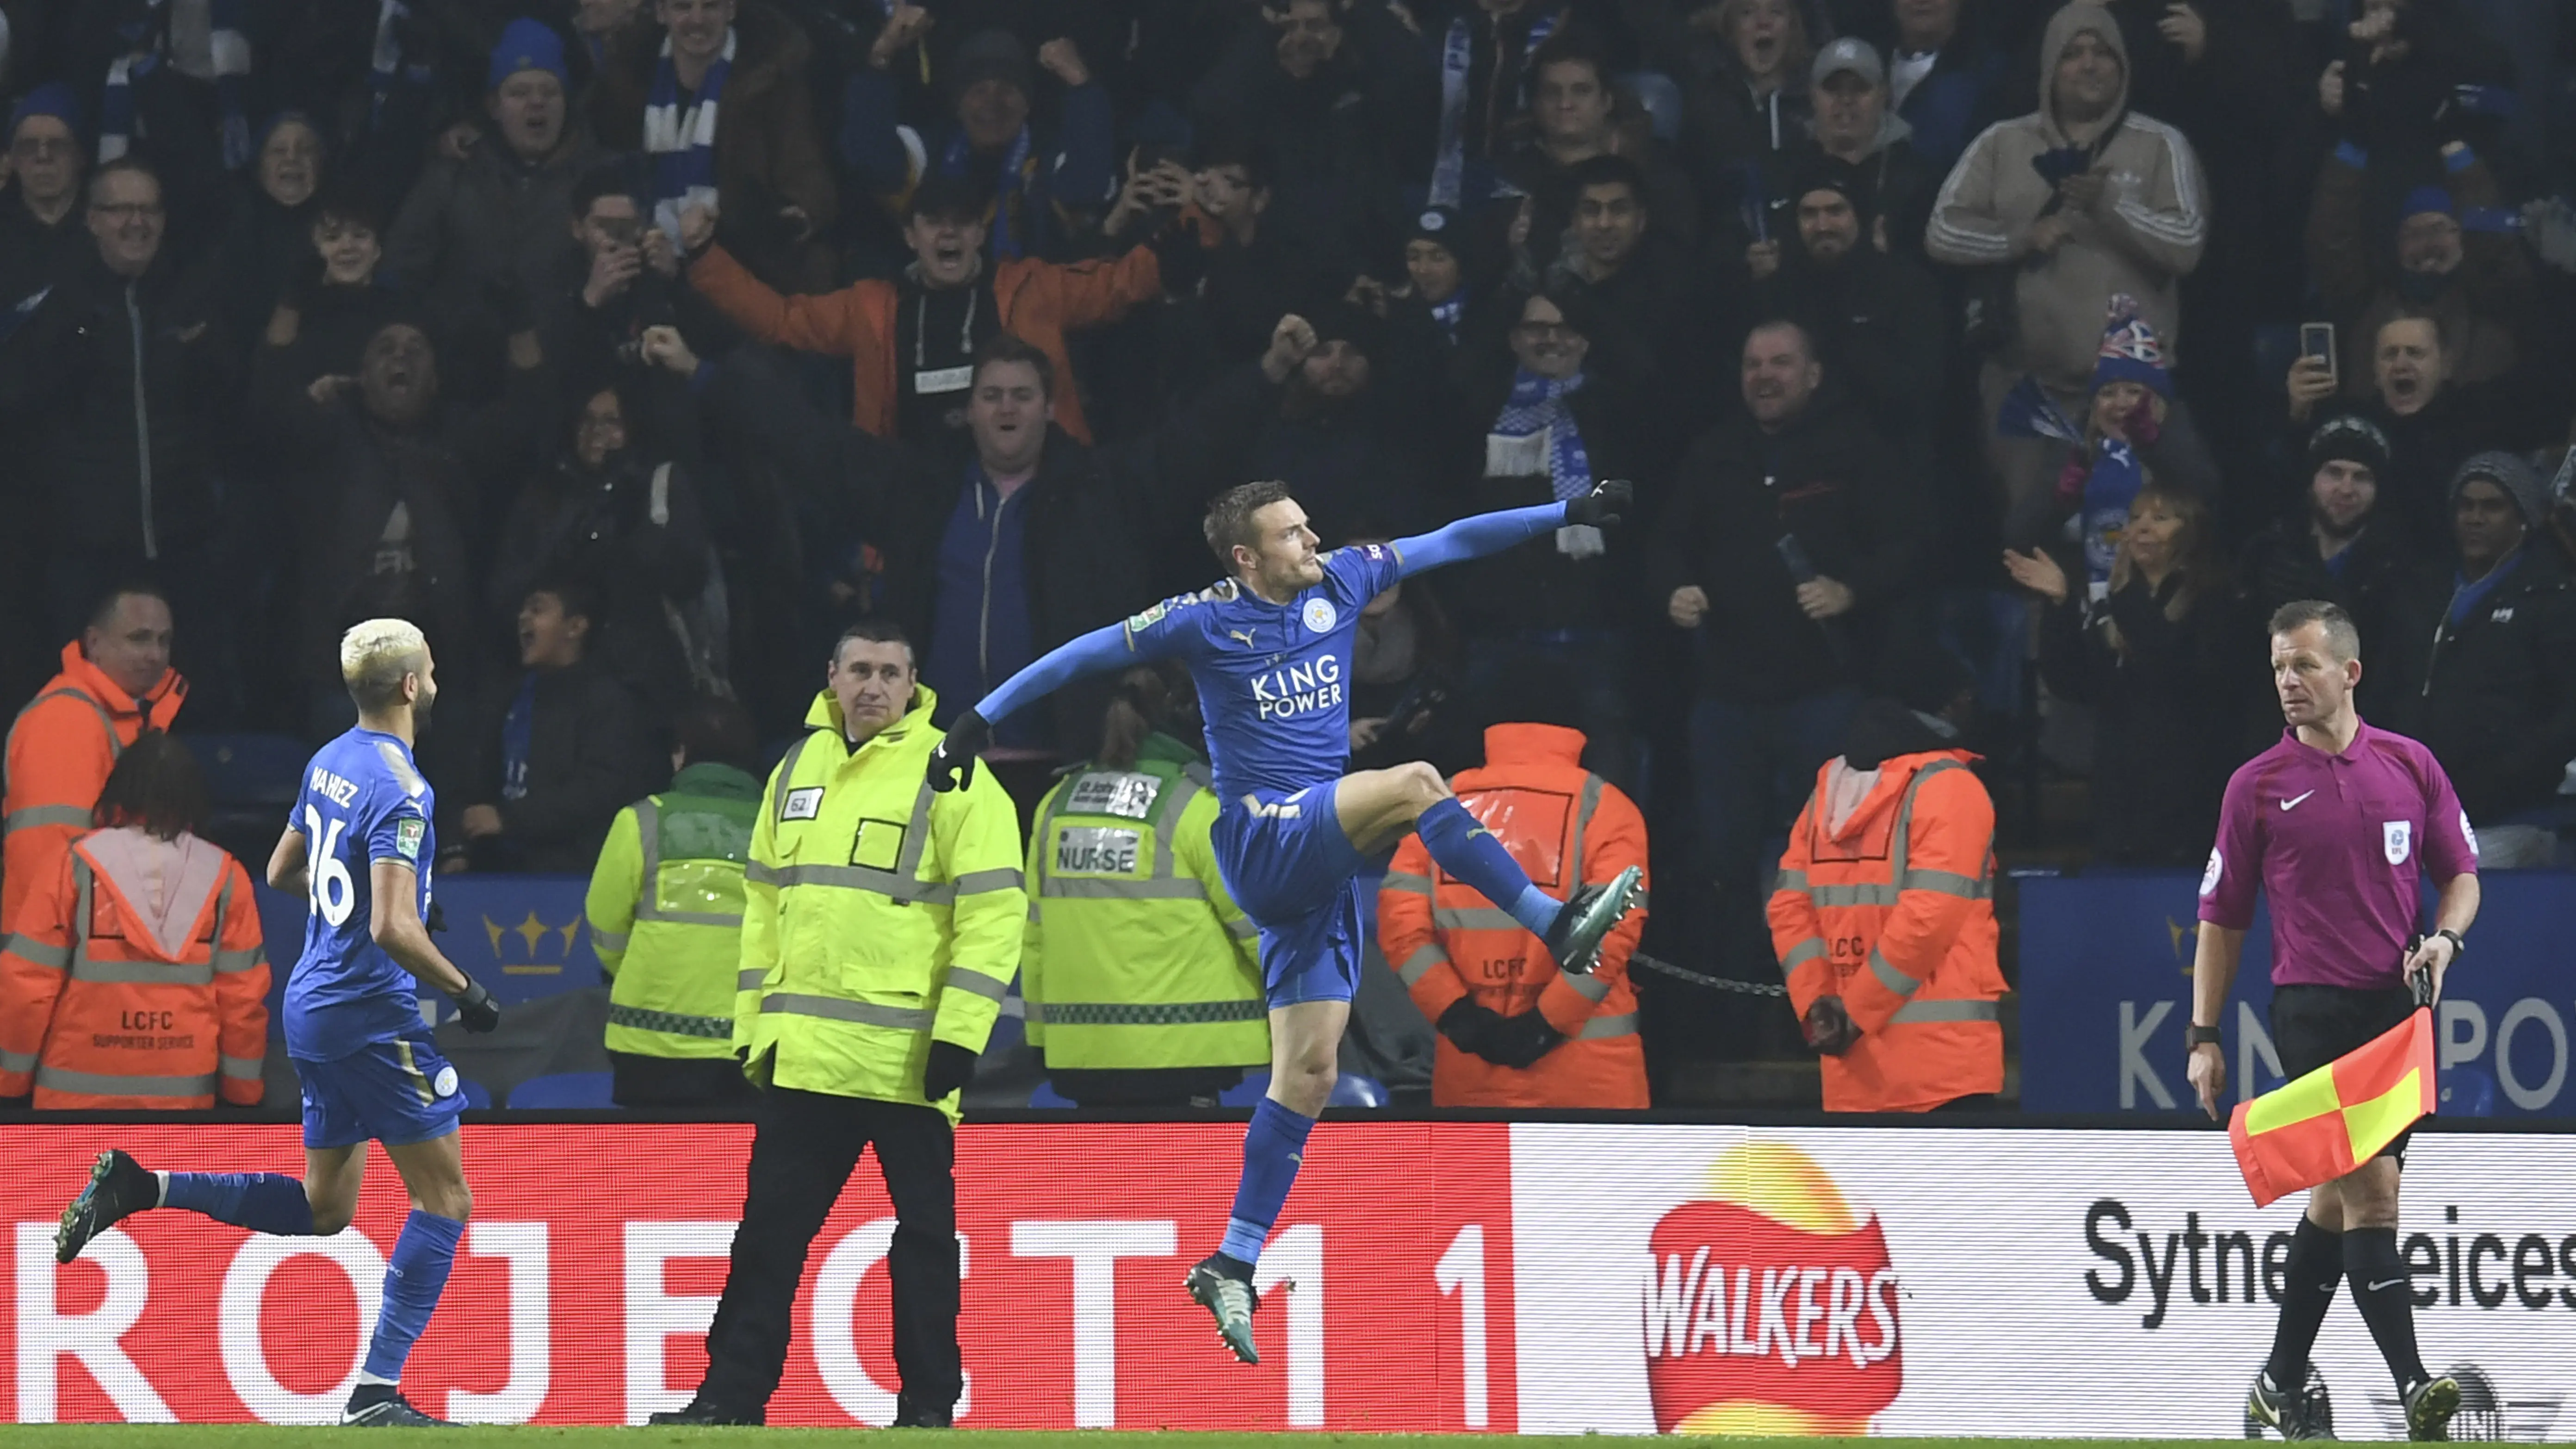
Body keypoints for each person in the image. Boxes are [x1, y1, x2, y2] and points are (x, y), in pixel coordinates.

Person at [925, 476, 1647, 1363]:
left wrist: (1564, 511)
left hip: (1318, 866)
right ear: (1245, 557)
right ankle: (1553, 923)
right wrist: (977, 721)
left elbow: (1451, 538)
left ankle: (1232, 1259)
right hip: (1264, 840)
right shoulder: (1200, 618)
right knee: (1420, 781)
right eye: (1292, 534)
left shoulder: (1341, 580)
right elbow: (1081, 654)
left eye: (1310, 526)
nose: (1314, 541)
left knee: (1307, 1072)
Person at [51, 619, 503, 1428]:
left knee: (327, 1209)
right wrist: (466, 990)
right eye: (429, 671)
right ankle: (376, 1392)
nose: (434, 682)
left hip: (313, 1003)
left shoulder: (329, 762)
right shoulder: (404, 789)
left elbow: (281, 869)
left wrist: (369, 905)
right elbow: (394, 930)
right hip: (369, 1011)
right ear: (409, 686)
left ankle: (144, 1186)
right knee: (447, 1197)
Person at [651, 620, 1022, 1429]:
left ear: (914, 681)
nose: (874, 686)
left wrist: (960, 1034)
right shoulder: (794, 768)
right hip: (804, 1059)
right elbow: (761, 904)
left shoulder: (951, 775)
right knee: (766, 1245)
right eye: (860, 669)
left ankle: (927, 1407)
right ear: (831, 677)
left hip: (908, 1060)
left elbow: (994, 915)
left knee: (923, 1248)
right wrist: (754, 1027)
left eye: (891, 672)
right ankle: (727, 1399)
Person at [2190, 600, 2475, 1444]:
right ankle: (2415, 1387)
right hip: (2311, 1010)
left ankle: (2276, 1386)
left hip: (2396, 1013)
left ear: (2348, 673)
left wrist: (2445, 939)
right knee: (2373, 1192)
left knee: (2332, 1200)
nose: (2287, 682)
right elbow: (2219, 917)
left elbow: (2461, 872)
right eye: (2278, 667)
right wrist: (2202, 1036)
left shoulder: (2408, 764)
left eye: (2303, 666)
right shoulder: (2256, 786)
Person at [1652, 320, 1921, 960]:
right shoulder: (1713, 451)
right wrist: (1676, 589)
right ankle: (1742, 1005)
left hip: (1822, 694)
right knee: (1725, 858)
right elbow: (1665, 544)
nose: (1764, 377)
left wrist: (1850, 590)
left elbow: (1908, 547)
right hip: (1727, 697)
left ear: (1814, 374)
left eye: (1780, 363)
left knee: (1833, 853)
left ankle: (1832, 989)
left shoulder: (1856, 449)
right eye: (1752, 365)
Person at [1926, 2, 2207, 520]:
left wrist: (2112, 207)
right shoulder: (2001, 142)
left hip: (2136, 396)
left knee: (2145, 546)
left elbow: (2186, 243)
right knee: (2032, 547)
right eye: (2073, 54)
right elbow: (1942, 232)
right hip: (2028, 390)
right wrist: (2019, 239)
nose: (2090, 64)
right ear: (2050, 68)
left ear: (2123, 65)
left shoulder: (2160, 144)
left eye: (2102, 52)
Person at [681, 171, 1166, 447]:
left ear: (981, 234)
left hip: (1040, 500)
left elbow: (1117, 285)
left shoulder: (1032, 289)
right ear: (911, 236)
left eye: (962, 223)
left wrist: (1196, 224)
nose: (949, 234)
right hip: (921, 509)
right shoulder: (870, 308)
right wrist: (705, 256)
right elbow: (782, 321)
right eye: (934, 223)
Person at [1378, 680, 1651, 1108]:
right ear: (1576, 727)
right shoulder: (1605, 806)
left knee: (1478, 1181)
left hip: (1471, 1078)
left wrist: (1458, 1017)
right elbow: (1611, 932)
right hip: (1591, 1079)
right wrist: (1544, 1026)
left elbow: (1401, 929)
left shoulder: (1439, 806)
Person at [1022, 664, 1267, 1109]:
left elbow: (1036, 940)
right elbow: (1262, 932)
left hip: (1080, 1057)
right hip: (1189, 1053)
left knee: (1110, 1181)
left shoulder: (1056, 805)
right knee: (1182, 1182)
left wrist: (1043, 1039)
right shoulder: (1198, 807)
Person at [0, 733, 267, 1108]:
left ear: (120, 788)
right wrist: (243, 1094)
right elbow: (242, 999)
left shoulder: (73, 865)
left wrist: (10, 1084)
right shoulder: (226, 877)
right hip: (184, 1105)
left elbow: (27, 985)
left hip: (72, 1102)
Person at [1768, 694, 2005, 1111]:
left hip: (1850, 1068)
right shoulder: (1950, 788)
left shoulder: (1825, 797)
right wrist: (1854, 1013)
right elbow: (1927, 921)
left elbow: (1790, 909)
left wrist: (1819, 1005)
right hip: (1943, 1069)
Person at [2007, 483, 2231, 864]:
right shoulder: (2112, 602)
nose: (2141, 528)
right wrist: (2061, 604)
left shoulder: (2214, 601)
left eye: (2160, 519)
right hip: (2120, 797)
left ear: (2191, 531)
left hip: (2191, 799)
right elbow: (2072, 683)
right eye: (2135, 518)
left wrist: (2124, 595)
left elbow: (2171, 669)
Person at [2375, 455, 2576, 867]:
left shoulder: (2552, 597)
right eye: (2466, 506)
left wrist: (2504, 778)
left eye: (2492, 506)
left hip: (2509, 819)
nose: (2475, 518)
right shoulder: (2421, 592)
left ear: (2524, 518)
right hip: (2412, 810)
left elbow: (2566, 713)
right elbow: (2390, 687)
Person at [588, 0, 839, 293]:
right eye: (683, 7)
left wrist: (792, 217)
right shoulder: (629, 80)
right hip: (649, 265)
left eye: (711, 6)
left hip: (747, 268)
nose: (697, 20)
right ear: (660, 12)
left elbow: (805, 171)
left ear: (731, 10)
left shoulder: (772, 79)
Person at [585, 694, 763, 1106]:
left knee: (658, 1167)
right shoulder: (777, 827)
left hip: (649, 1039)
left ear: (682, 755)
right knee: (738, 1168)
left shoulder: (642, 820)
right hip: (749, 1039)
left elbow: (604, 920)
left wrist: (634, 968)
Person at [383, 20, 601, 353]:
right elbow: (400, 272)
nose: (537, 103)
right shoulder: (453, 174)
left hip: (559, 372)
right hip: (459, 372)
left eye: (550, 91)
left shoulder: (599, 180)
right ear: (493, 107)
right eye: (520, 93)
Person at [839, 25, 1116, 264]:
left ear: (1027, 105)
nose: (993, 103)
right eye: (978, 90)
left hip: (1027, 308)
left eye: (1008, 89)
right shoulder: (931, 150)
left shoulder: (1046, 156)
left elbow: (1087, 186)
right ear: (958, 106)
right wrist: (881, 56)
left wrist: (1082, 85)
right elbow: (869, 156)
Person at [3, 584, 184, 936]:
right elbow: (52, 862)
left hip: (92, 947)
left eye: (164, 641)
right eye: (139, 639)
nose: (155, 655)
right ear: (95, 643)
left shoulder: (124, 721)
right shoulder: (66, 720)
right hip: (68, 952)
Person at [448, 582, 666, 874]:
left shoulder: (608, 700)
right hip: (501, 871)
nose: (523, 617)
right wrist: (459, 847)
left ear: (575, 627)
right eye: (523, 610)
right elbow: (474, 778)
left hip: (571, 876)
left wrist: (511, 819)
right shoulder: (507, 696)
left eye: (538, 610)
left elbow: (601, 789)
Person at [0, 84, 91, 309]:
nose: (43, 156)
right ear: (11, 159)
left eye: (57, 145)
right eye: (29, 146)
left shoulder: (107, 230)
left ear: (80, 156)